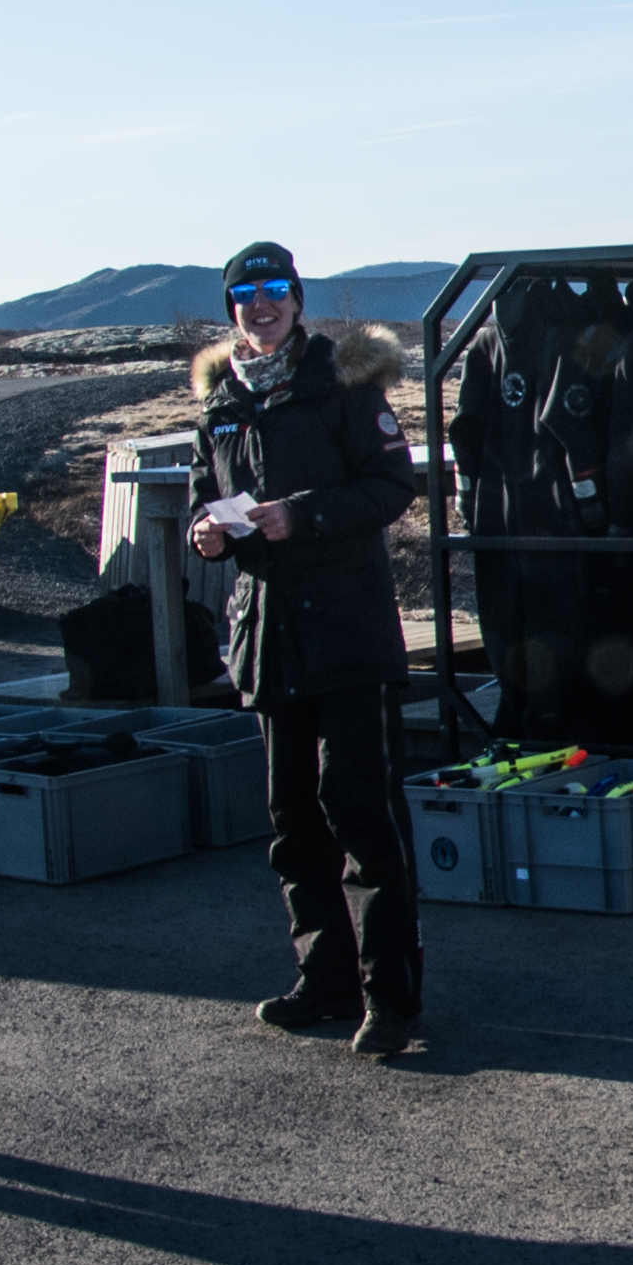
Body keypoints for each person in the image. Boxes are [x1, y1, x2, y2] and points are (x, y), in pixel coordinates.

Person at [189, 242, 431, 1058]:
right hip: (269, 638)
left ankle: (389, 996)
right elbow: (202, 493)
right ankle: (324, 978)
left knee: (360, 810)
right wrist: (206, 534)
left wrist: (307, 514)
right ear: (231, 310)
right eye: (244, 295)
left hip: (346, 632)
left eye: (273, 291)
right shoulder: (222, 402)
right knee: (294, 819)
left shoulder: (344, 388)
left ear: (296, 300)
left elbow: (393, 486)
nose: (260, 306)